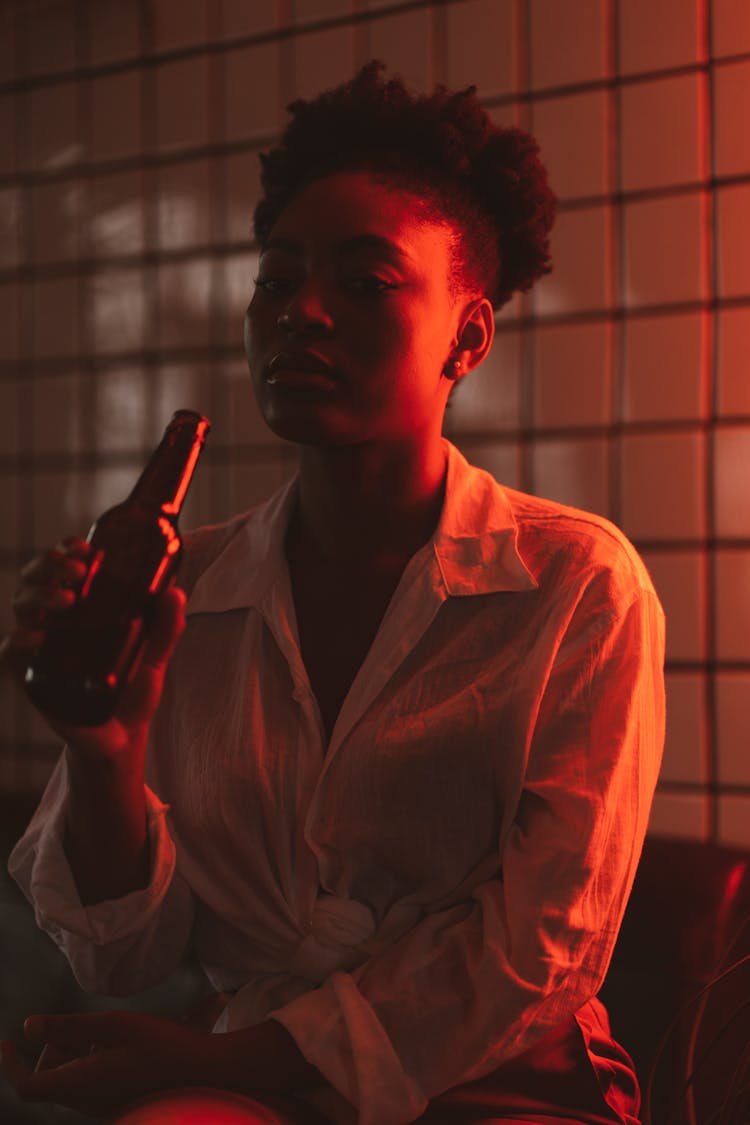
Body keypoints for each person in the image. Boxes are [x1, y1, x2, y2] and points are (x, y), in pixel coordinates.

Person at [0, 62, 665, 1125]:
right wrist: (105, 754)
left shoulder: (574, 584)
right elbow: (120, 957)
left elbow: (543, 954)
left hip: (498, 1082)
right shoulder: (189, 589)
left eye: (365, 282)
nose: (301, 312)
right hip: (241, 1074)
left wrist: (237, 1059)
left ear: (469, 336)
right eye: (276, 280)